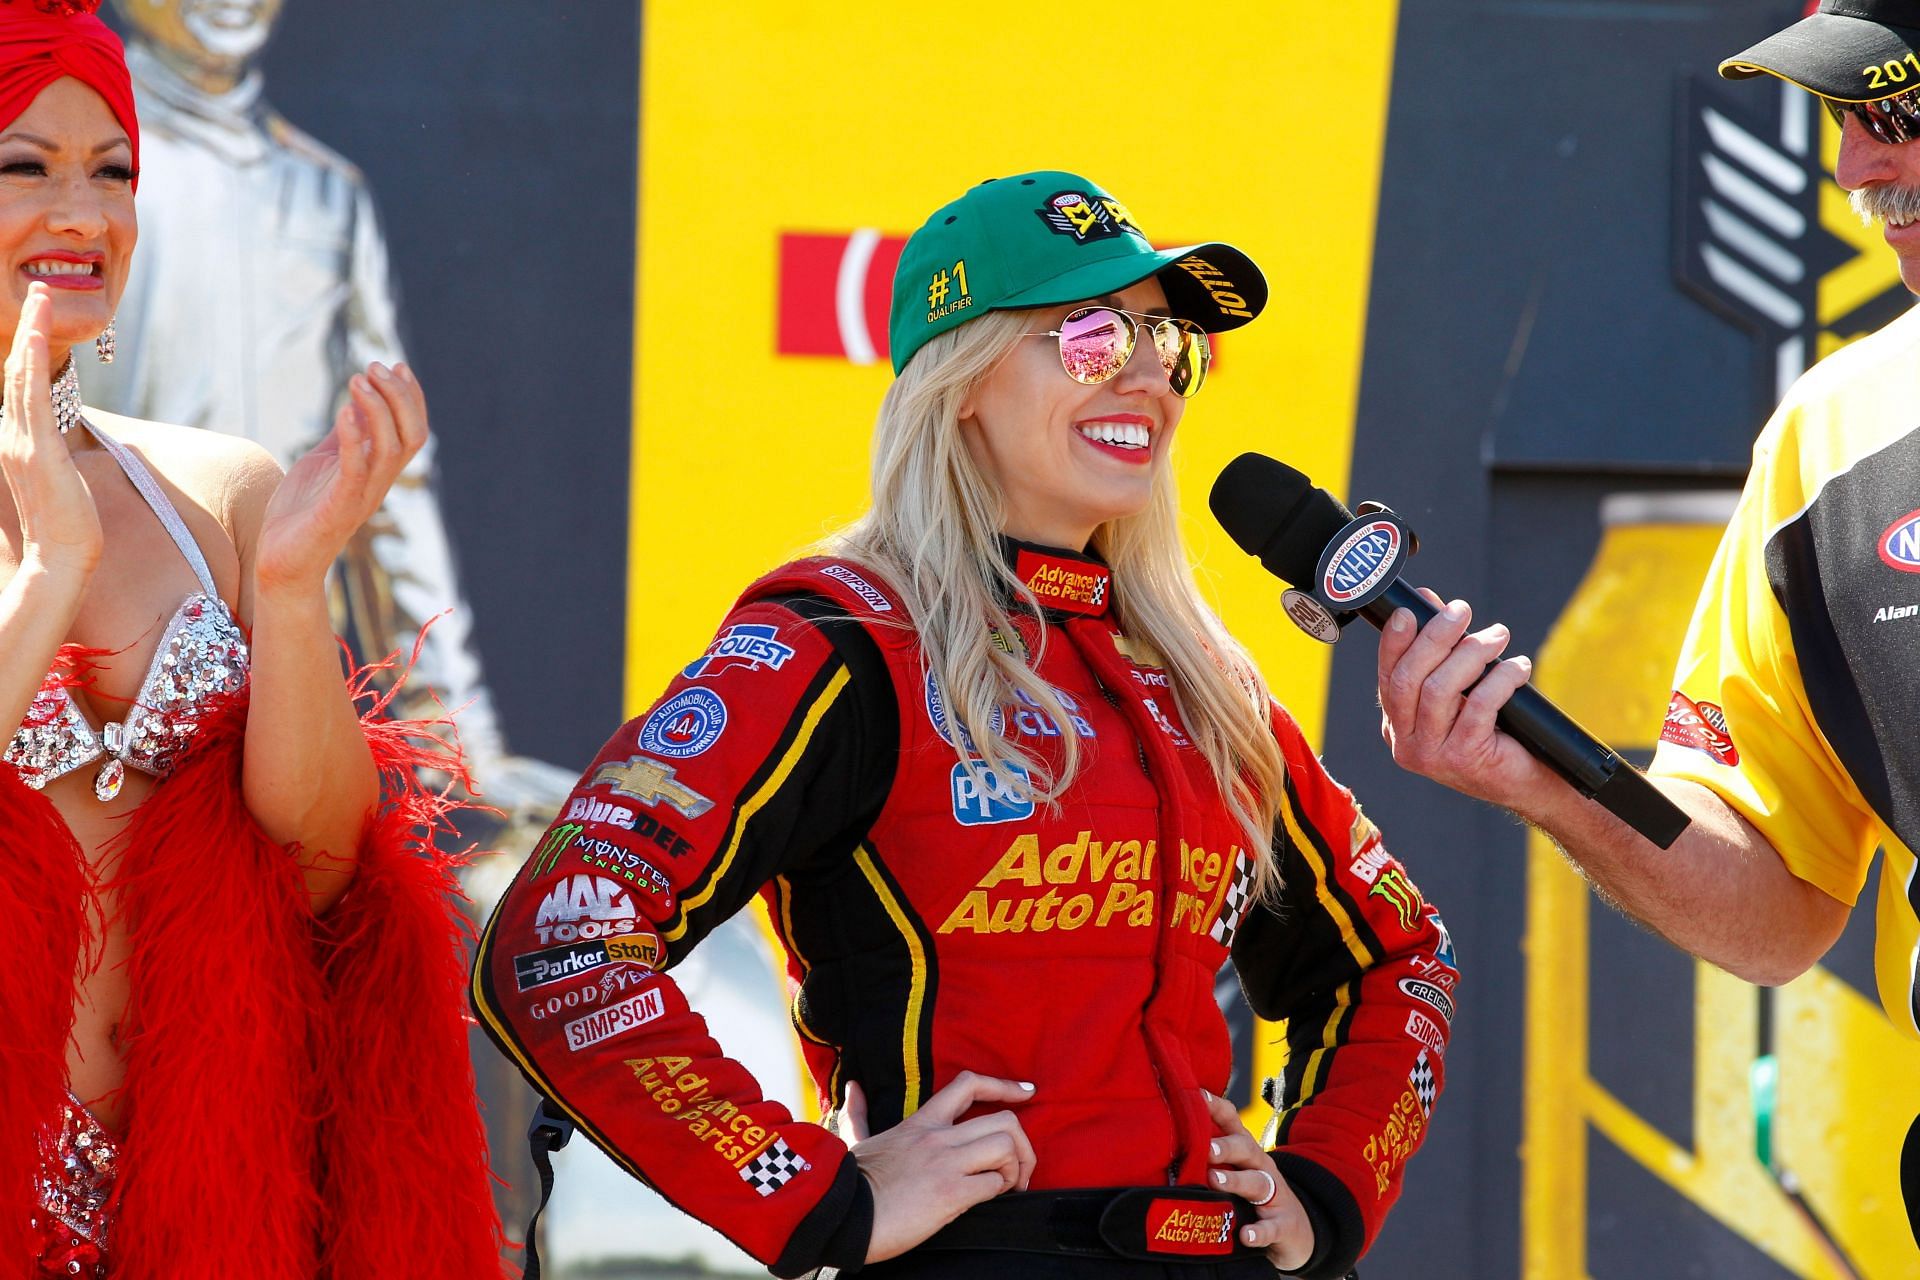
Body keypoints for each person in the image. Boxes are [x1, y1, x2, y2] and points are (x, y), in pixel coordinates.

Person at [473, 170, 1457, 1280]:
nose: (1148, 375)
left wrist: (1322, 1187)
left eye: (1168, 345)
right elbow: (561, 940)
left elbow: (1398, 954)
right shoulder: (837, 639)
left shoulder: (1200, 676)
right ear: (965, 376)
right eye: (1090, 336)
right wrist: (812, 1196)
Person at [1371, 0, 1920, 1241]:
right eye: (1844, 123)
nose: (1858, 169)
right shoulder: (1832, 437)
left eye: (1898, 112)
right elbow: (1779, 900)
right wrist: (1551, 783)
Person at [0, 3, 498, 1275]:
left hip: (204, 1204)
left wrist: (286, 587)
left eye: (113, 172)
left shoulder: (216, 490)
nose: (83, 211)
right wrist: (52, 571)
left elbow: (323, 864)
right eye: (26, 166)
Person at [81, 0, 576, 829]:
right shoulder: (82, 194)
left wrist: (462, 740)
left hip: (284, 678)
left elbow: (393, 484)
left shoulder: (325, 195)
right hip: (99, 673)